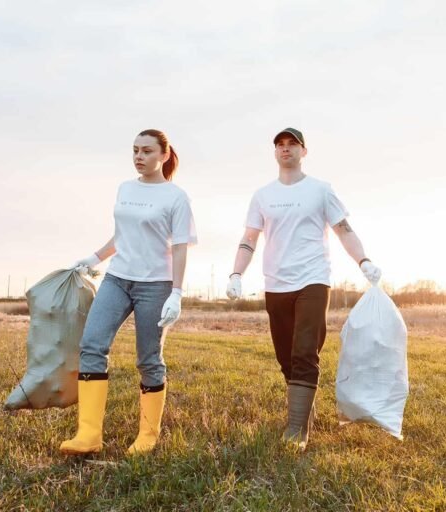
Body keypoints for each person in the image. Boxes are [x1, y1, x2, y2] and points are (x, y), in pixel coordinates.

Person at [226, 128, 381, 451]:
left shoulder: (321, 190)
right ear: (275, 153)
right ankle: (304, 411)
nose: (286, 149)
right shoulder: (262, 195)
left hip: (313, 279)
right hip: (276, 283)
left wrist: (363, 261)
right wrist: (236, 273)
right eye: (280, 145)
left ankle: (297, 430)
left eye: (292, 144)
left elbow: (344, 230)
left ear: (303, 151)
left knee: (304, 351)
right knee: (285, 356)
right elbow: (249, 238)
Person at [60, 129, 197, 456]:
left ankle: (148, 435)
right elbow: (121, 236)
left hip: (156, 286)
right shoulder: (125, 188)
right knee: (92, 344)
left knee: (148, 358)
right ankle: (88, 434)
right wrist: (94, 257)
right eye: (135, 150)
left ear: (164, 155)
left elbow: (180, 249)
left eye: (147, 151)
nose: (139, 157)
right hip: (118, 279)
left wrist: (176, 293)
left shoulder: (176, 197)